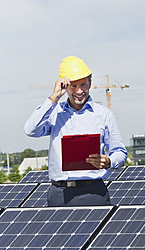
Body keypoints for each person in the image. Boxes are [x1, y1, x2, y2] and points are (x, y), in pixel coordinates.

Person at [24, 56, 127, 206]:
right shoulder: (54, 113)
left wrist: (109, 161)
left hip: (94, 192)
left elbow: (120, 152)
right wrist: (54, 98)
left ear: (90, 83)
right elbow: (30, 129)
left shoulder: (103, 114)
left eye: (83, 85)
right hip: (60, 194)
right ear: (64, 86)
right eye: (73, 86)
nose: (79, 91)